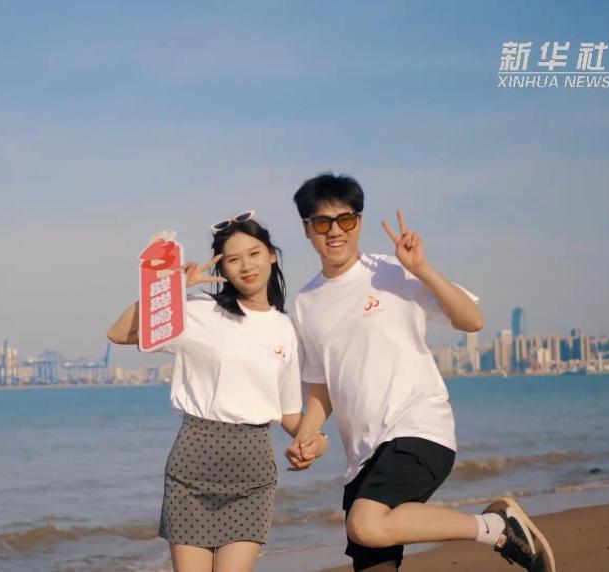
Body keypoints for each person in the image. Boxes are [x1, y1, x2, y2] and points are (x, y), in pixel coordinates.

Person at [284, 174, 555, 572]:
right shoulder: (306, 301)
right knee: (371, 541)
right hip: (363, 455)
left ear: (359, 222)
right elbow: (322, 385)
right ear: (308, 229)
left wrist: (423, 268)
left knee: (364, 523)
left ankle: (497, 527)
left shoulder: (394, 271)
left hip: (419, 428)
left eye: (346, 220)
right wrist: (306, 436)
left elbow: (472, 320)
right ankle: (498, 527)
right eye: (323, 223)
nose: (335, 231)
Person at [107, 211, 326, 572]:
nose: (246, 266)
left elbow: (288, 413)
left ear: (272, 255)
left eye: (254, 254)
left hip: (253, 472)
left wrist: (316, 440)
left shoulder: (286, 330)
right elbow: (118, 333)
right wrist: (170, 291)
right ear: (222, 268)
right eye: (233, 259)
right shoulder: (198, 310)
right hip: (192, 466)